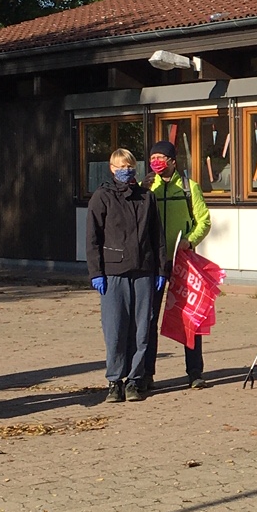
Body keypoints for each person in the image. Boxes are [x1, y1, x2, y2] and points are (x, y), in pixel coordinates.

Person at [86, 147, 164, 402]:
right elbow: (92, 238)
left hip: (143, 270)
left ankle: (134, 380)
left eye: (128, 166)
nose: (125, 170)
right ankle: (115, 381)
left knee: (141, 329)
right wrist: (96, 272)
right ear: (111, 168)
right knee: (115, 329)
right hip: (113, 272)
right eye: (120, 167)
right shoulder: (102, 196)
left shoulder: (146, 197)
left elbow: (157, 237)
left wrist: (161, 269)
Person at [144, 139, 214, 390]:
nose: (157, 163)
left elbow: (203, 221)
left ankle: (195, 372)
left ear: (173, 162)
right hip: (153, 261)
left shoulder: (189, 187)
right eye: (153, 159)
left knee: (190, 316)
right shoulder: (147, 187)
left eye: (162, 159)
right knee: (149, 317)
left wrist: (189, 240)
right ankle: (146, 373)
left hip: (182, 259)